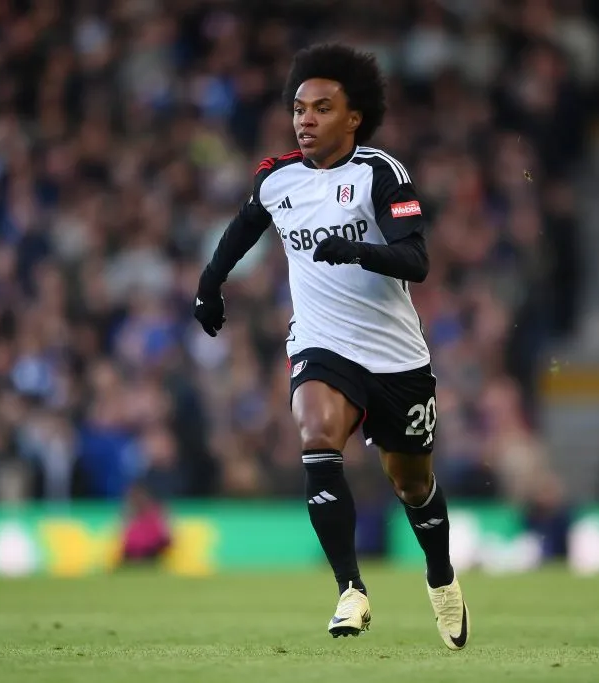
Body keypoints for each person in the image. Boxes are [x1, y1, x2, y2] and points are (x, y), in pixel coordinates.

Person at [193, 44, 468, 650]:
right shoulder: (277, 178)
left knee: (411, 483)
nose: (305, 119)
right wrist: (210, 286)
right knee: (315, 432)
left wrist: (359, 250)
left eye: (322, 108)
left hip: (396, 356)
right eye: (298, 108)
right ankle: (351, 589)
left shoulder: (380, 174)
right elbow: (243, 228)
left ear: (354, 118)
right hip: (322, 342)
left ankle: (441, 576)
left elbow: (417, 260)